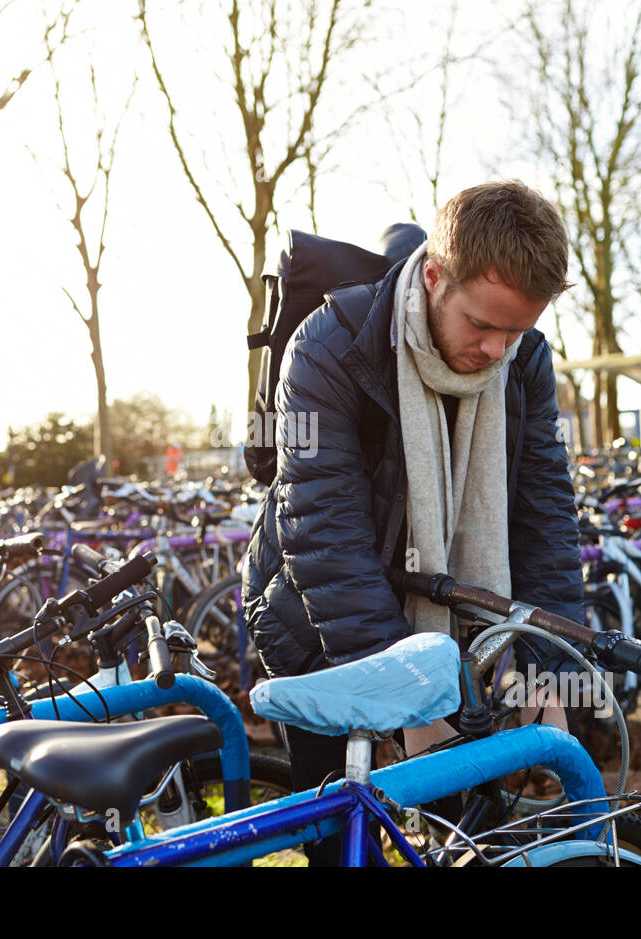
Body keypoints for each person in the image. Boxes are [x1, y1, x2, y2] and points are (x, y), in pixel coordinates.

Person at [242, 180, 584, 863]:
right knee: (342, 832)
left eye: (516, 330)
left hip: (455, 627)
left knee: (467, 831)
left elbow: (545, 517)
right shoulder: (327, 347)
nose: (496, 350)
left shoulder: (526, 362)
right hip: (317, 624)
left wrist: (549, 671)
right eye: (482, 324)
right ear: (433, 276)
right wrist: (405, 701)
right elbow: (322, 534)